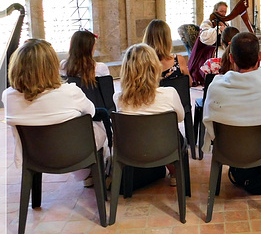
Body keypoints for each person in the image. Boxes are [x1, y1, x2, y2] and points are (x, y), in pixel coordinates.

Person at [3, 39, 108, 185]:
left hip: (34, 156)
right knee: (97, 124)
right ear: (51, 66)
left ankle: (85, 175)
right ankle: (93, 173)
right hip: (74, 154)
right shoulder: (70, 91)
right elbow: (91, 112)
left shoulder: (8, 96)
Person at [114, 43, 184, 186]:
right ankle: (175, 173)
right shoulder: (169, 93)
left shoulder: (118, 98)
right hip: (164, 148)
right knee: (173, 134)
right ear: (155, 67)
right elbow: (180, 118)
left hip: (132, 150)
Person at [203, 32, 261, 139]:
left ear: (231, 58)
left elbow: (210, 126)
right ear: (260, 56)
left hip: (225, 153)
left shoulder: (215, 87)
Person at [188, 1, 229, 85]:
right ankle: (216, 78)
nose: (223, 14)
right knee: (221, 55)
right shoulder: (207, 23)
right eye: (221, 11)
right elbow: (204, 37)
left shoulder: (225, 23)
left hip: (221, 46)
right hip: (206, 48)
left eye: (225, 12)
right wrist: (217, 29)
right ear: (215, 11)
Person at [143, 19, 191, 84]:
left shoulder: (143, 64)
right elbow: (189, 84)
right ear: (168, 39)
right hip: (176, 94)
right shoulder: (178, 61)